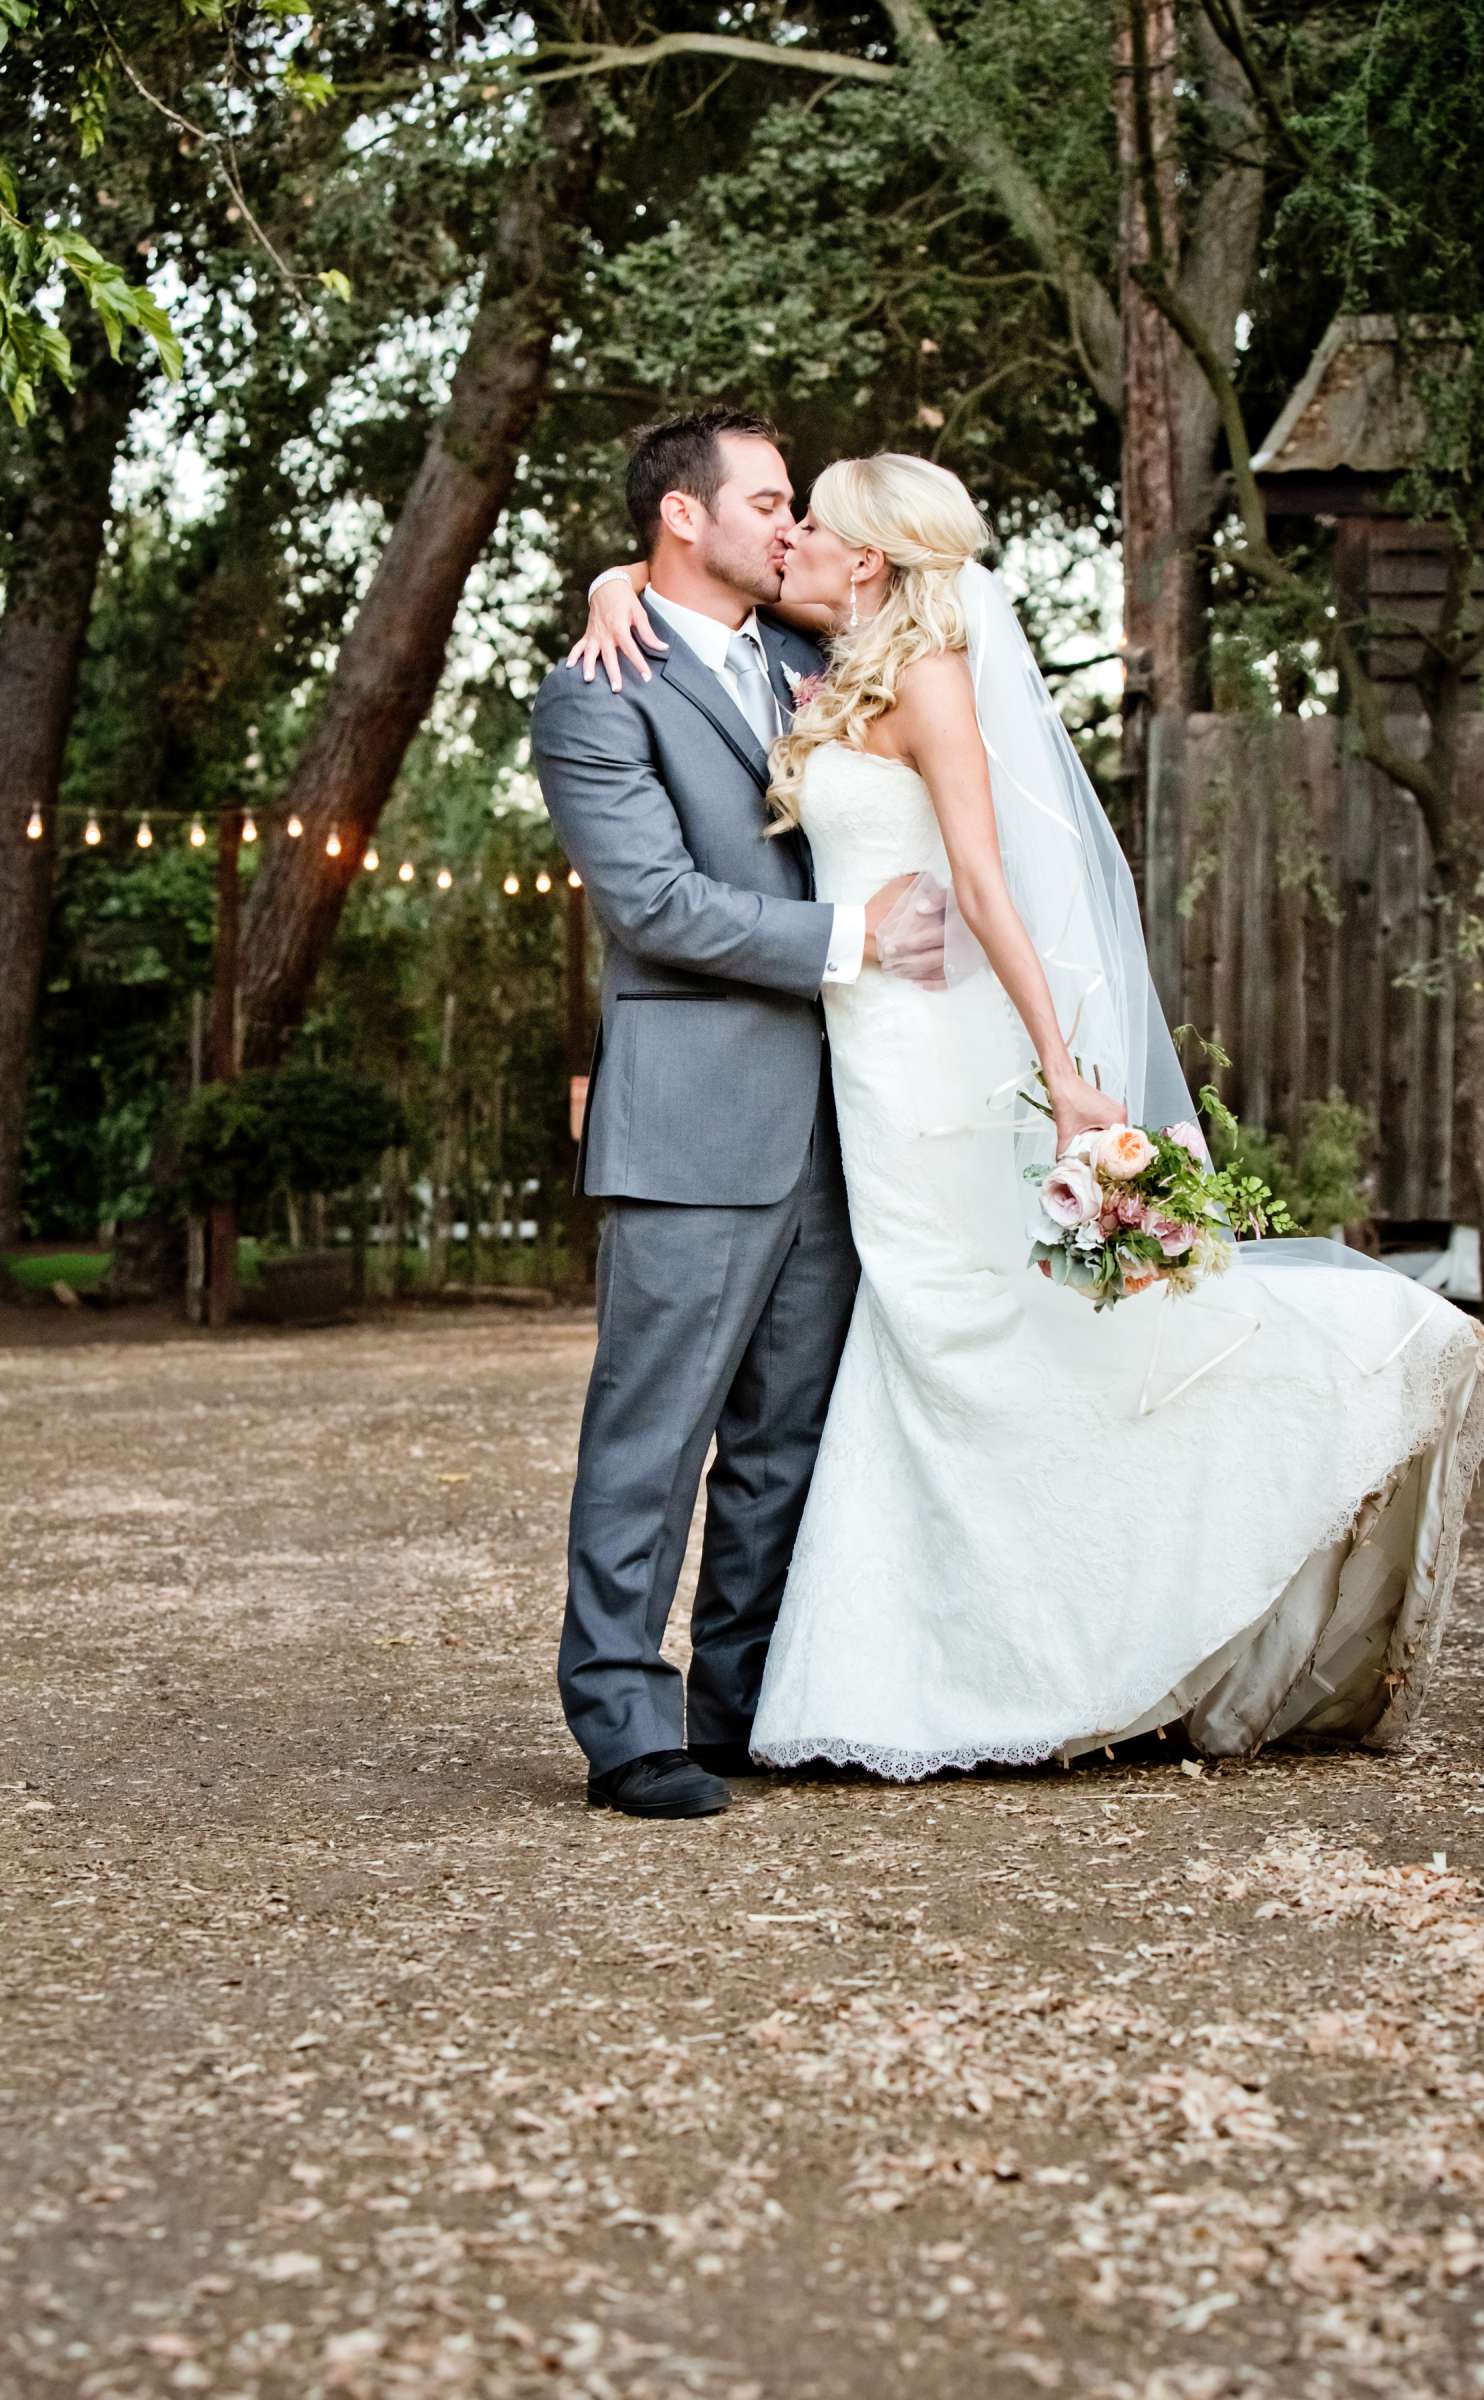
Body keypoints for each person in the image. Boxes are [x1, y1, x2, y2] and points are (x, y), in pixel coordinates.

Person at [572, 447, 1484, 1781]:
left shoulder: (906, 675)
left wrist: (1066, 1071)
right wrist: (617, 584)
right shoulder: (785, 663)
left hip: (919, 1061)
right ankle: (765, 1693)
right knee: (855, 1372)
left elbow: (990, 890)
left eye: (804, 520)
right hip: (840, 1072)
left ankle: (1004, 1652)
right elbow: (668, 755)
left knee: (940, 1349)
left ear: (868, 557)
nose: (788, 541)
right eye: (771, 511)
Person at [530, 409, 961, 1819]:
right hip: (698, 1118)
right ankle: (623, 1723)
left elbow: (922, 611)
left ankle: (743, 1703)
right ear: (682, 519)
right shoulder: (596, 692)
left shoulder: (800, 659)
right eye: (769, 502)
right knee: (652, 1433)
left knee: (789, 1436)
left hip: (847, 1117)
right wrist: (852, 940)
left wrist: (618, 578)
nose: (791, 527)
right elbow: (650, 906)